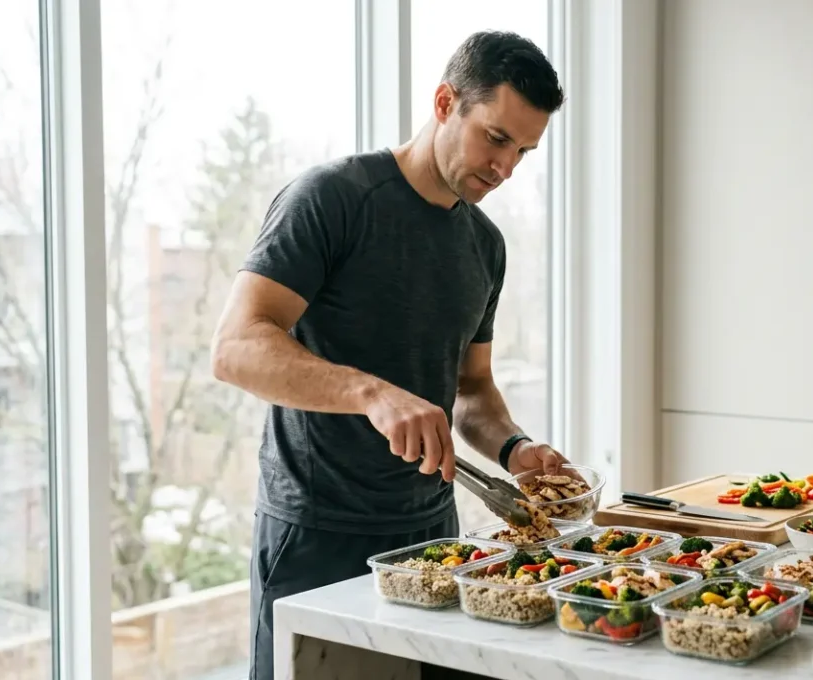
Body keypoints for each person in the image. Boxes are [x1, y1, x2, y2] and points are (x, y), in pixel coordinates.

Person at [208, 30, 568, 680]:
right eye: (495, 137)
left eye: (523, 150)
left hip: (433, 538)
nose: (505, 166)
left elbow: (473, 390)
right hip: (318, 536)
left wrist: (516, 450)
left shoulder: (485, 246)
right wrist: (370, 393)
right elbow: (236, 348)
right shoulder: (331, 199)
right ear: (443, 102)